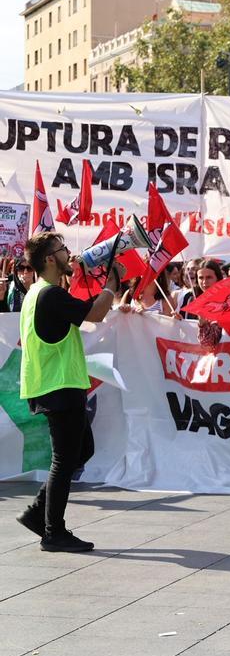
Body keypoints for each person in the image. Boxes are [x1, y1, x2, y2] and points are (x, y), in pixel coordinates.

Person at [16, 231, 122, 553]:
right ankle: (53, 532)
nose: (69, 253)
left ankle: (39, 513)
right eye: (63, 249)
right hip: (58, 386)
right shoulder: (49, 295)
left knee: (81, 451)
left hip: (54, 385)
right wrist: (111, 284)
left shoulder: (39, 292)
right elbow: (95, 313)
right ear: (50, 259)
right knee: (65, 460)